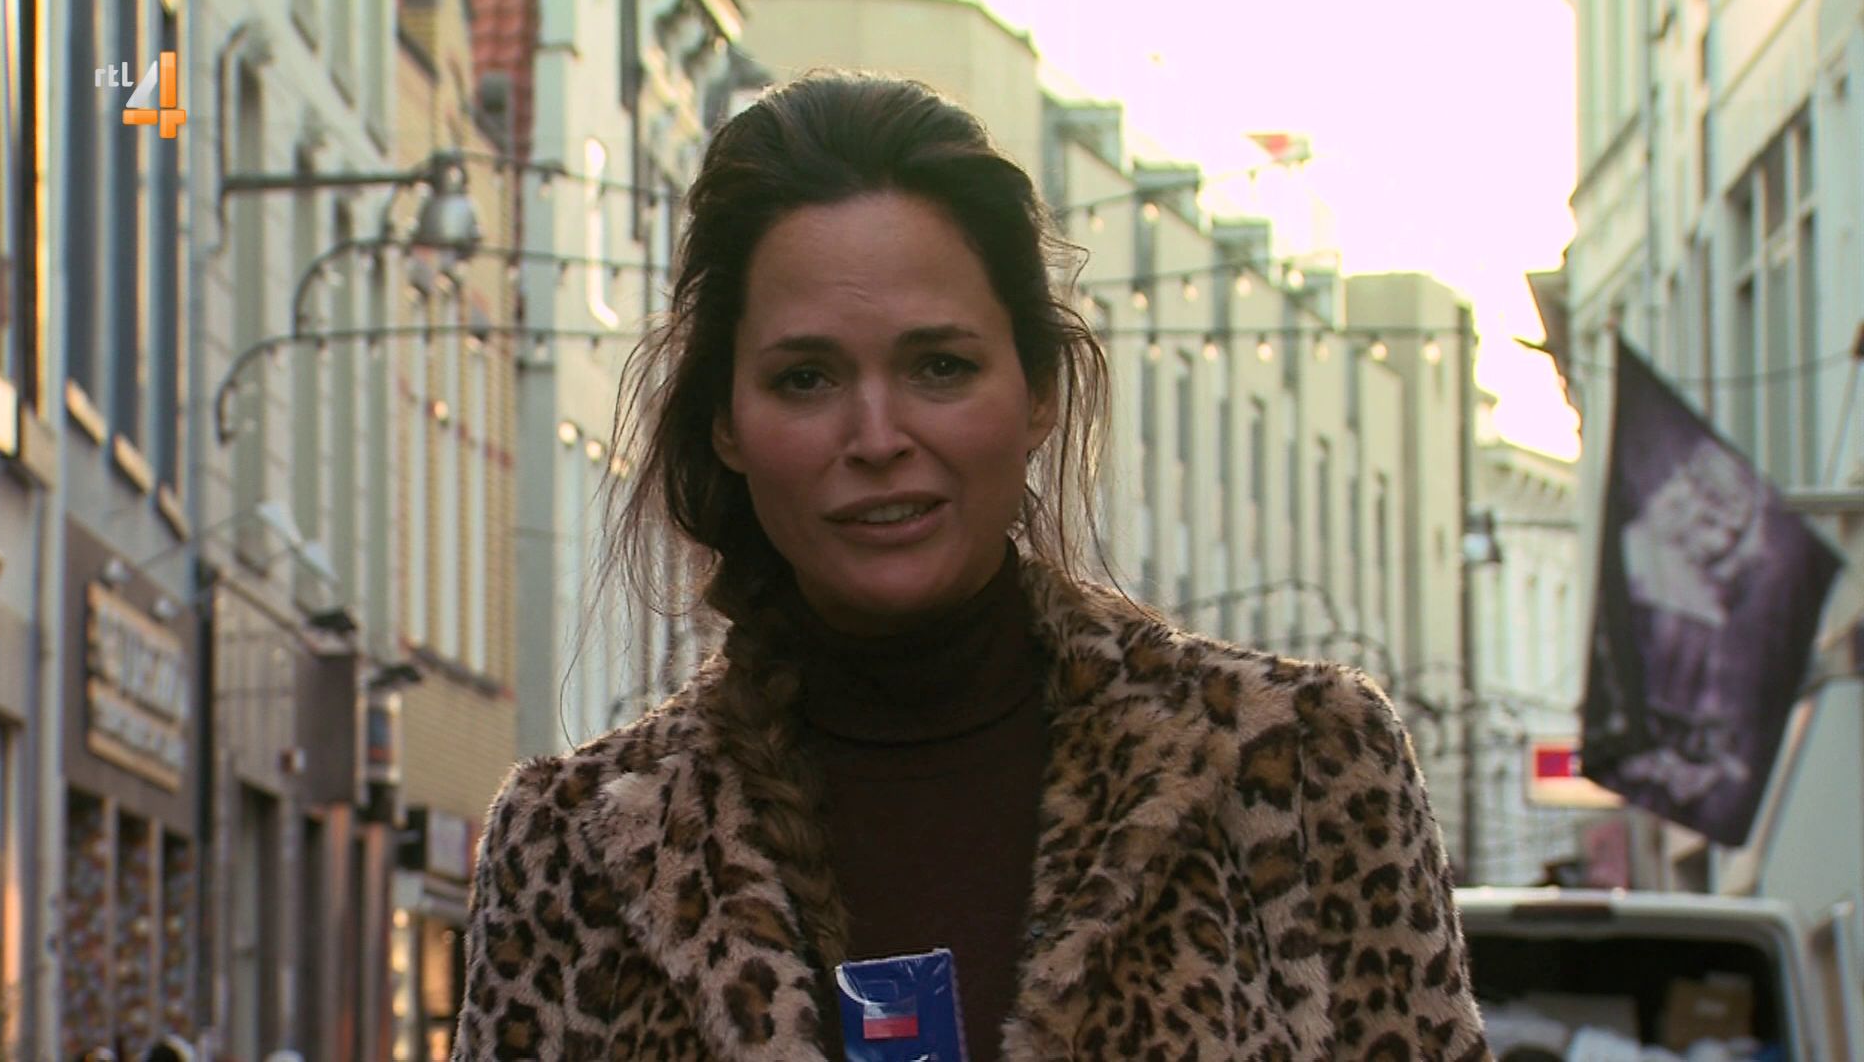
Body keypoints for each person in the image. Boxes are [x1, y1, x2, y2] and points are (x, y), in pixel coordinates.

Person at [454, 72, 1487, 1060]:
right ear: (726, 421)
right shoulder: (577, 850)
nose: (877, 436)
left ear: (1038, 392)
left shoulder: (1303, 766)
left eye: (939, 366)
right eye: (806, 377)